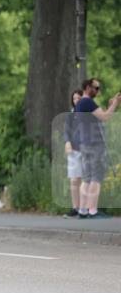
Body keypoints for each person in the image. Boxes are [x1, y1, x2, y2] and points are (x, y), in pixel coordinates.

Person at [75, 77, 120, 219]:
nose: (98, 91)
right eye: (96, 88)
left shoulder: (81, 103)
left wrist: (112, 105)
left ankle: (82, 210)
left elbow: (100, 116)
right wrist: (116, 103)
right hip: (95, 144)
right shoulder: (88, 101)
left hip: (85, 144)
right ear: (88, 87)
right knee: (96, 177)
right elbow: (105, 117)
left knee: (87, 178)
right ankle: (92, 211)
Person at [63, 89, 85, 217]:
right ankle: (75, 208)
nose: (76, 100)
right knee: (74, 180)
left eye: (79, 98)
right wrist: (67, 142)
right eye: (74, 98)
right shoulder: (71, 114)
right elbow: (67, 131)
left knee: (84, 180)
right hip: (73, 151)